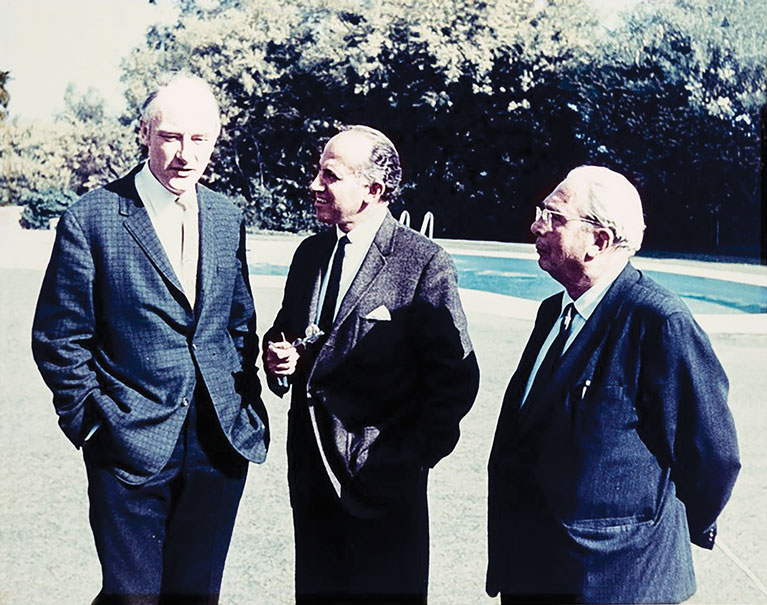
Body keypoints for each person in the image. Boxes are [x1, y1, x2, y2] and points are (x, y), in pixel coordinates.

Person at [31, 73, 269, 603]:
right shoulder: (90, 219)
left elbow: (238, 322)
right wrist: (93, 423)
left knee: (196, 595)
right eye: (172, 137)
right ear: (145, 133)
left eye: (199, 139)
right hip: (127, 443)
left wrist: (242, 401)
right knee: (131, 596)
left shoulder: (228, 218)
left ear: (215, 139)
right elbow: (58, 337)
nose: (186, 154)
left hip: (218, 445)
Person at [486, 165, 741, 603]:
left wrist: (659, 531)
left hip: (616, 582)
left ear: (599, 241)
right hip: (534, 571)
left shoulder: (658, 321)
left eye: (555, 217)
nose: (537, 225)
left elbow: (712, 456)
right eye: (541, 212)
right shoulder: (553, 312)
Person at [263, 125, 480, 604]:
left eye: (330, 175)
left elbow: (456, 379)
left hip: (385, 488)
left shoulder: (422, 262)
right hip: (313, 479)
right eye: (318, 171)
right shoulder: (310, 254)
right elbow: (287, 331)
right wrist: (279, 358)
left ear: (373, 190)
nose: (315, 184)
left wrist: (403, 462)